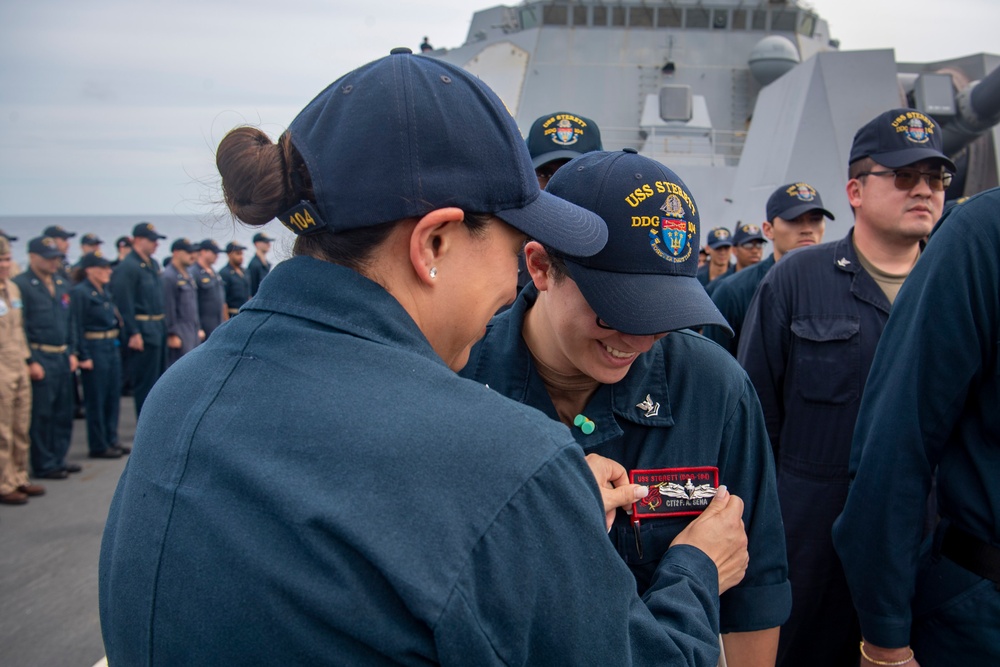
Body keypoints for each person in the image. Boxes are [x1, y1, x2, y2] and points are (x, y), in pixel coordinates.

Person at [100, 49, 748, 666]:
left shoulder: (178, 395)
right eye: (513, 241)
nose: (512, 283)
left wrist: (544, 507)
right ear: (434, 241)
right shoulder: (507, 463)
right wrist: (694, 569)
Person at [461, 148, 790, 665]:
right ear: (542, 266)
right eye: (617, 309)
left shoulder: (713, 389)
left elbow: (755, 595)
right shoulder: (457, 381)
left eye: (662, 311)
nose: (638, 337)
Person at [737, 108, 954, 667]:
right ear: (856, 190)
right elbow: (757, 420)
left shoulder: (958, 285)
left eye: (936, 179)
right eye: (904, 176)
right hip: (812, 539)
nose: (924, 190)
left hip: (932, 539)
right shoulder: (796, 281)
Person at [833, 188, 1000, 666]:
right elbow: (896, 442)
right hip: (982, 621)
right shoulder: (983, 236)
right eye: (903, 175)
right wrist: (885, 638)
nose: (922, 188)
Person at [703, 183, 833, 354]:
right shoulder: (733, 292)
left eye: (815, 219)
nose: (807, 229)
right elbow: (715, 365)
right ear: (768, 230)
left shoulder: (840, 286)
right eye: (794, 220)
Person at [13, 236, 79, 480]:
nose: (54, 263)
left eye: (56, 258)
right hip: (40, 354)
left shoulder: (62, 282)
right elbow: (20, 326)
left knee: (63, 410)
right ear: (32, 257)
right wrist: (30, 360)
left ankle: (59, 457)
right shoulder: (21, 285)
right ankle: (43, 463)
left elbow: (69, 320)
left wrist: (73, 351)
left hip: (62, 354)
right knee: (42, 413)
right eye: (48, 258)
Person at [520, 110, 604, 289]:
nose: (557, 187)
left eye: (575, 175)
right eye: (545, 174)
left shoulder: (613, 261)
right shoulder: (502, 260)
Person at [0, 236, 45, 504]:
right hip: (2, 369)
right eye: (1, 260)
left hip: (18, 362)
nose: (5, 265)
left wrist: (28, 360)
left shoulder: (13, 290)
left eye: (7, 259)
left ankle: (19, 476)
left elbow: (19, 330)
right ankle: (5, 483)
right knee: (2, 430)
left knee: (20, 425)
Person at [71, 252, 126, 459]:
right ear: (89, 270)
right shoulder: (80, 292)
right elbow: (76, 324)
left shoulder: (103, 291)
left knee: (112, 396)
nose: (108, 272)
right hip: (93, 347)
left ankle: (111, 439)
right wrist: (82, 354)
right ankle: (98, 444)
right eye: (102, 268)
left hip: (110, 345)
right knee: (97, 398)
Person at [110, 222, 167, 417]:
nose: (155, 245)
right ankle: (144, 425)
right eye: (151, 241)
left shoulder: (152, 264)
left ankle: (156, 420)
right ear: (138, 240)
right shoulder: (128, 267)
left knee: (159, 381)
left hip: (157, 327)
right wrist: (133, 332)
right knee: (145, 384)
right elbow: (124, 303)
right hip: (142, 330)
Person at [162, 238, 203, 367]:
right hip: (180, 333)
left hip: (192, 330)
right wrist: (172, 333)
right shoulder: (168, 276)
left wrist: (198, 327)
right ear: (176, 252)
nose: (192, 255)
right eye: (188, 252)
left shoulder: (188, 275)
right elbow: (167, 306)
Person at [188, 239, 226, 339]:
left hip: (217, 323)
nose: (217, 256)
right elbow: (192, 303)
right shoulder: (194, 272)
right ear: (203, 252)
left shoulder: (214, 272)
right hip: (203, 325)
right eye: (214, 253)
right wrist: (198, 328)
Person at [219, 241, 250, 317]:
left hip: (245, 313)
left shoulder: (245, 272)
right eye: (237, 254)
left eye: (241, 253)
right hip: (233, 314)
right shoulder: (224, 273)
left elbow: (249, 294)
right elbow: (223, 302)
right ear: (229, 254)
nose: (241, 257)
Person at [247, 231, 272, 296]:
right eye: (266, 242)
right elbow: (252, 288)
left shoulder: (266, 264)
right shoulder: (254, 265)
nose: (269, 244)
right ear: (257, 244)